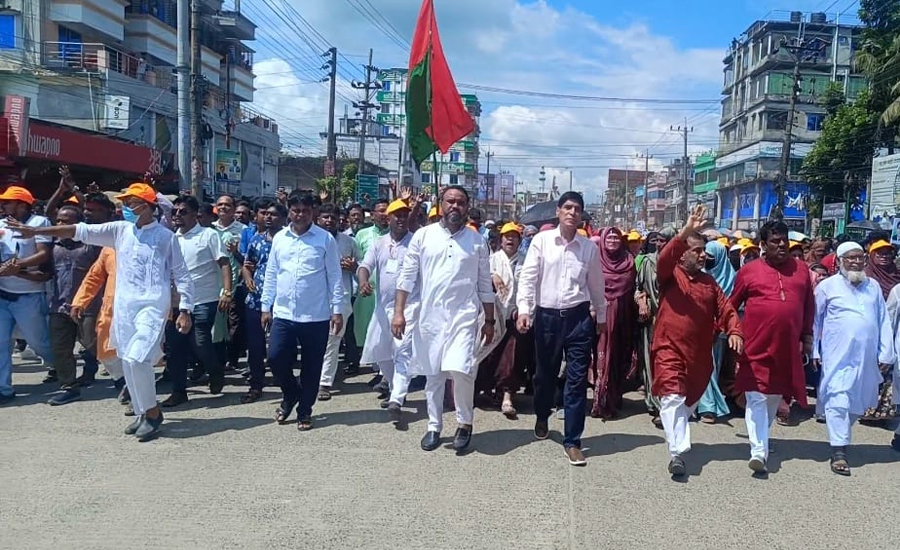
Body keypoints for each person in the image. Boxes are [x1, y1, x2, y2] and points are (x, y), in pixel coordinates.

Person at [8, 183, 194, 441]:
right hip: (124, 307)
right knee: (128, 359)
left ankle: (152, 413)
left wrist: (185, 309)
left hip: (151, 306)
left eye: (132, 203)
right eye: (125, 203)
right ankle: (142, 412)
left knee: (139, 358)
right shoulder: (119, 231)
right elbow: (78, 230)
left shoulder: (165, 237)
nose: (127, 208)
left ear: (148, 206)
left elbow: (182, 275)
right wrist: (37, 230)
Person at [392, 186, 495, 453]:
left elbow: (485, 283)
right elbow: (406, 277)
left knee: (461, 370)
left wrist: (490, 320)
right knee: (434, 375)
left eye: (461, 203)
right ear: (441, 204)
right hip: (430, 317)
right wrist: (399, 312)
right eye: (450, 201)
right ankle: (434, 426)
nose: (455, 207)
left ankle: (464, 422)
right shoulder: (423, 237)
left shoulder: (476, 241)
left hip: (464, 316)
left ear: (467, 207)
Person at [651, 205, 742, 476]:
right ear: (682, 256)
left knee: (685, 402)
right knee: (672, 397)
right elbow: (665, 257)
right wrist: (686, 231)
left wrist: (735, 330)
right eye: (697, 250)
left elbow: (725, 308)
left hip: (699, 356)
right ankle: (677, 452)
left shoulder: (709, 283)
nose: (703, 256)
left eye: (704, 251)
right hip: (668, 347)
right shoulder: (669, 275)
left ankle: (677, 439)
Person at [517, 191, 606, 466]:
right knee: (545, 375)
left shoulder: (588, 248)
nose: (572, 212)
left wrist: (600, 314)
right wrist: (524, 309)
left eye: (577, 208)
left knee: (577, 381)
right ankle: (542, 413)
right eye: (567, 207)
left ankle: (573, 441)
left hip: (579, 319)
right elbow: (529, 277)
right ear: (558, 211)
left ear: (581, 215)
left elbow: (595, 285)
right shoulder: (542, 242)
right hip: (547, 318)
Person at [730, 221, 814, 474]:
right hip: (755, 346)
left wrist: (807, 337)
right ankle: (758, 451)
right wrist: (733, 332)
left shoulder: (801, 270)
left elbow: (808, 305)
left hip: (787, 348)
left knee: (774, 397)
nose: (781, 245)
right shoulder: (749, 271)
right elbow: (732, 304)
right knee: (756, 396)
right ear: (763, 245)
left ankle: (761, 440)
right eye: (775, 241)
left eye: (784, 240)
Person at [261, 192, 343, 432]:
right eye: (295, 210)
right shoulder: (280, 239)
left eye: (305, 211)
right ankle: (291, 393)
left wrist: (336, 310)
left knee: (312, 366)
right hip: (284, 314)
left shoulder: (325, 239)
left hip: (315, 315)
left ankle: (304, 410)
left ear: (312, 212)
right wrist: (266, 306)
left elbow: (335, 277)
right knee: (275, 358)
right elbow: (272, 273)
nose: (300, 215)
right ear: (289, 210)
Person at [812, 241, 894, 475]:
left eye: (860, 257)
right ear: (839, 261)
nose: (857, 262)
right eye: (851, 257)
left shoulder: (873, 287)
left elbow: (882, 320)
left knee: (858, 403)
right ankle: (838, 451)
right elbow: (815, 320)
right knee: (838, 398)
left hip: (866, 357)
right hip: (837, 355)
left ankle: (841, 435)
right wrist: (815, 351)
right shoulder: (827, 287)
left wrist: (886, 351)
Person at [161, 195, 232, 408]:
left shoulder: (208, 235)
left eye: (182, 212)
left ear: (195, 214)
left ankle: (215, 371)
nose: (177, 216)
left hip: (204, 299)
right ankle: (178, 391)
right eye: (174, 212)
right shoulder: (172, 238)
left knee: (200, 342)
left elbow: (224, 263)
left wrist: (226, 292)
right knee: (175, 348)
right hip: (176, 302)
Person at [357, 199, 418, 422]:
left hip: (410, 307)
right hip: (383, 308)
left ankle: (397, 398)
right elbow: (365, 266)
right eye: (397, 215)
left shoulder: (416, 243)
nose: (401, 219)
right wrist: (363, 281)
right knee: (381, 353)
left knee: (402, 352)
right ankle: (395, 390)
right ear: (388, 218)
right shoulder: (379, 243)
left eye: (405, 215)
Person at [0, 185, 54, 404]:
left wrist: (18, 266)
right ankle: (4, 389)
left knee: (38, 342)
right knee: (1, 343)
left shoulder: (39, 223)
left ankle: (58, 366)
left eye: (8, 202)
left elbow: (43, 254)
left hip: (29, 295)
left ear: (22, 205)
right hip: (3, 295)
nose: (3, 205)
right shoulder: (1, 224)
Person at [46, 205, 101, 406]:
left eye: (66, 221)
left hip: (88, 306)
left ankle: (123, 381)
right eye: (58, 221)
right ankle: (69, 387)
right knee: (61, 349)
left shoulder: (92, 245)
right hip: (59, 306)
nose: (61, 225)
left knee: (93, 346)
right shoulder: (53, 246)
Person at [476, 222, 532, 418]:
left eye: (514, 236)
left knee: (512, 357)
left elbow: (530, 287)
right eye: (507, 236)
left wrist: (523, 310)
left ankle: (508, 396)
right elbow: (479, 280)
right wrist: (492, 275)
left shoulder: (526, 261)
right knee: (489, 355)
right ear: (501, 240)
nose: (510, 239)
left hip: (515, 316)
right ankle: (488, 391)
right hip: (493, 316)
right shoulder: (491, 260)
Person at [240, 203, 286, 404]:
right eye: (266, 214)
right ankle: (256, 384)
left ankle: (285, 383)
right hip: (256, 300)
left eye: (274, 215)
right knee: (255, 345)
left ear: (284, 219)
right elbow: (247, 265)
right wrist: (248, 276)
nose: (269, 218)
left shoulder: (288, 241)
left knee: (281, 347)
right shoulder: (256, 240)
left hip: (282, 302)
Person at [592, 226, 637, 419]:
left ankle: (614, 396)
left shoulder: (629, 261)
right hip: (598, 316)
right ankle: (600, 400)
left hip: (623, 318)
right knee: (602, 357)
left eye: (616, 237)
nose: (612, 240)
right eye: (608, 237)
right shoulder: (595, 261)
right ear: (602, 240)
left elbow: (633, 286)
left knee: (617, 358)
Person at [316, 202, 359, 401]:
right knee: (315, 342)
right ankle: (312, 377)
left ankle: (324, 383)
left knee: (332, 341)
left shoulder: (348, 242)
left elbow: (361, 271)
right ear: (318, 219)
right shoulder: (311, 240)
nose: (329, 221)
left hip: (340, 300)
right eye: (325, 217)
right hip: (314, 300)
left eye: (333, 217)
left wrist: (353, 267)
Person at [634, 229, 674, 426]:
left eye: (664, 241)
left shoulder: (681, 264)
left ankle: (668, 406)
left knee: (668, 365)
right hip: (652, 321)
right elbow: (639, 289)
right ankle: (656, 403)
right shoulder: (648, 262)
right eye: (657, 241)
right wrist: (642, 302)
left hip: (674, 322)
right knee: (651, 363)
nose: (659, 244)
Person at [696, 240, 738, 423]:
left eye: (712, 258)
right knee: (704, 367)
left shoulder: (732, 278)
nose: (708, 260)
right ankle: (707, 406)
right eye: (706, 257)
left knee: (715, 367)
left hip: (721, 332)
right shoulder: (700, 277)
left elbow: (733, 306)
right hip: (699, 329)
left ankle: (712, 402)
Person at [352, 199, 390, 365]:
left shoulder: (396, 236)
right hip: (368, 291)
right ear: (372, 215)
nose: (384, 214)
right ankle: (375, 365)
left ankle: (383, 371)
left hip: (389, 293)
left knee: (386, 330)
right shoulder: (362, 235)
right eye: (381, 211)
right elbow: (361, 262)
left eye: (387, 211)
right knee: (368, 328)